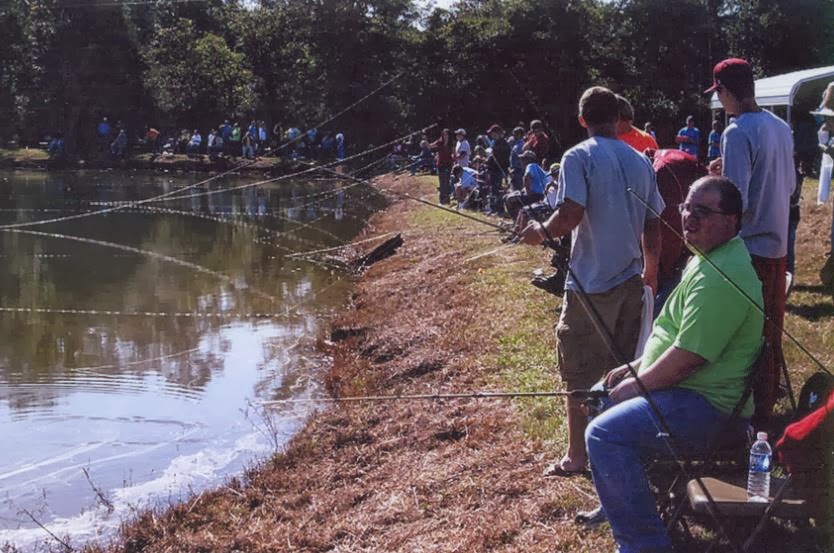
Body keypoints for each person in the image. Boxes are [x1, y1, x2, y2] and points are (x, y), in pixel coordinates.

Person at [587, 175, 764, 553]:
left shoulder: (722, 275)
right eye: (686, 207)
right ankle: (620, 501)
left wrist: (636, 385)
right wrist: (634, 366)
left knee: (604, 434)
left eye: (702, 211)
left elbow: (687, 359)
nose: (688, 217)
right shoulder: (709, 258)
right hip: (684, 392)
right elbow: (679, 337)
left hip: (708, 409)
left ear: (731, 220)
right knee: (599, 397)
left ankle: (644, 544)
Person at [519, 86, 663, 475]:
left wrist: (538, 233)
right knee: (621, 368)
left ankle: (578, 457)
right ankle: (617, 449)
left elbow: (569, 215)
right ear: (618, 118)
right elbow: (654, 225)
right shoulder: (641, 160)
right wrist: (651, 271)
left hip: (589, 285)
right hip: (631, 280)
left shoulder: (577, 156)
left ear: (582, 119)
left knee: (580, 371)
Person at [706, 57, 795, 425]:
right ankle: (767, 401)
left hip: (749, 249)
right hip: (779, 245)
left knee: (744, 336)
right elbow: (788, 186)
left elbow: (734, 201)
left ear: (727, 91)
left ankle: (743, 411)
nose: (720, 101)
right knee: (770, 330)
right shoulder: (779, 126)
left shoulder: (736, 130)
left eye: (719, 94)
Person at [486, 124, 509, 214]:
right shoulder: (493, 142)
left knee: (499, 189)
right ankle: (493, 208)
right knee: (492, 189)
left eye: (493, 133)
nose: (492, 135)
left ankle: (499, 209)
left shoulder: (504, 143)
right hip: (492, 169)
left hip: (500, 170)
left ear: (498, 133)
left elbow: (504, 157)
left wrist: (494, 154)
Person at [431, 128, 455, 204]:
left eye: (446, 134)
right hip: (441, 164)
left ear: (449, 135)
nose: (445, 136)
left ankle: (447, 200)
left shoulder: (451, 143)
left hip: (448, 164)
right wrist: (425, 140)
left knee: (447, 182)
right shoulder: (439, 142)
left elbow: (454, 153)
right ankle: (442, 200)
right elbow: (430, 146)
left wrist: (454, 157)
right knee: (442, 182)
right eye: (444, 134)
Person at [508, 126, 526, 191]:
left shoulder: (521, 144)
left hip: (518, 169)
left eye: (516, 134)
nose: (514, 136)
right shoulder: (515, 143)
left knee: (518, 188)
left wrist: (516, 168)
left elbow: (520, 158)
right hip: (514, 169)